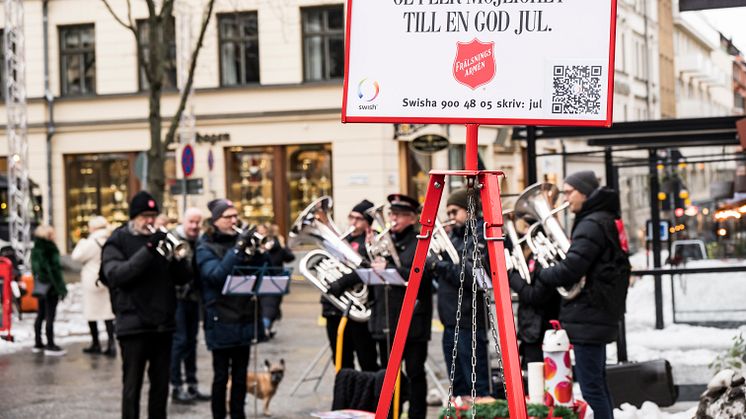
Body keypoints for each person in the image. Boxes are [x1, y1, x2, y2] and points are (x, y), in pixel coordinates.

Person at [536, 171, 630, 419]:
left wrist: (542, 274)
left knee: (591, 387)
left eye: (569, 192)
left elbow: (571, 269)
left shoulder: (591, 224)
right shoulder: (602, 218)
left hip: (590, 311)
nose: (565, 198)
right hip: (596, 311)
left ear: (585, 193)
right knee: (597, 382)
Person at [101, 191, 190, 419]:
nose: (149, 221)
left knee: (161, 387)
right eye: (144, 216)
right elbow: (117, 275)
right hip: (133, 325)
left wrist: (179, 260)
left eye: (153, 215)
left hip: (162, 324)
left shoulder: (163, 240)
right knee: (132, 387)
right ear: (133, 217)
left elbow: (183, 278)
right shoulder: (117, 240)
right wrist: (149, 249)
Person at [196, 199, 268, 419]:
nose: (234, 220)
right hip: (220, 316)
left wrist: (260, 252)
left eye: (235, 215)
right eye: (228, 217)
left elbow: (262, 271)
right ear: (216, 221)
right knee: (221, 376)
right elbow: (216, 276)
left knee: (240, 375)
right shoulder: (204, 246)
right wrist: (237, 249)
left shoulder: (242, 243)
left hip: (244, 314)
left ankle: (239, 414)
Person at [369, 194, 433, 419]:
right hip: (387, 319)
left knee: (415, 372)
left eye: (397, 215)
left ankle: (417, 415)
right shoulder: (386, 240)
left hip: (414, 319)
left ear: (411, 218)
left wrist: (390, 269)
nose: (392, 219)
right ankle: (390, 413)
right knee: (388, 374)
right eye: (390, 214)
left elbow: (423, 277)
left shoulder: (420, 242)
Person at [428, 188, 491, 397]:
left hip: (470, 321)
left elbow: (477, 277)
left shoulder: (481, 235)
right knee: (457, 386)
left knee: (477, 385)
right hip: (450, 320)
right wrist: (435, 266)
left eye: (455, 212)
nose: (451, 218)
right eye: (449, 213)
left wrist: (440, 266)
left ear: (470, 210)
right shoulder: (454, 237)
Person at [322, 199, 379, 372]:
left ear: (367, 222)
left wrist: (343, 282)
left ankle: (370, 397)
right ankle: (346, 397)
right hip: (334, 307)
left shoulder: (372, 241)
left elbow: (369, 267)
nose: (353, 222)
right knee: (340, 359)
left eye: (358, 219)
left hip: (358, 310)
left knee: (366, 359)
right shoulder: (340, 240)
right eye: (351, 217)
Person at [170, 207, 211, 404]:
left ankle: (192, 385)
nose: (195, 226)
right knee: (180, 342)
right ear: (183, 221)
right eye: (191, 222)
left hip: (194, 298)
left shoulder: (201, 240)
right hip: (176, 298)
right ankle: (176, 386)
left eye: (198, 222)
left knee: (192, 342)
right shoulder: (173, 239)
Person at [71, 216, 116, 357]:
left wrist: (82, 242)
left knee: (92, 313)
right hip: (107, 278)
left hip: (92, 279)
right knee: (108, 313)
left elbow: (76, 256)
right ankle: (111, 343)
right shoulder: (110, 240)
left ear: (93, 228)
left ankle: (96, 343)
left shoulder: (90, 242)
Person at [31, 225, 68, 356]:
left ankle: (38, 342)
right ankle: (50, 344)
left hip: (41, 287)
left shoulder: (36, 247)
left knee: (41, 314)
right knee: (50, 316)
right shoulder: (49, 248)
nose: (54, 235)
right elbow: (54, 271)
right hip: (51, 288)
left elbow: (36, 268)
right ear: (47, 235)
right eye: (52, 233)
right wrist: (60, 288)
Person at [257, 223, 294, 338]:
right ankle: (265, 329)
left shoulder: (269, 244)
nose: (259, 233)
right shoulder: (276, 244)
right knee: (270, 305)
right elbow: (289, 257)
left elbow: (290, 258)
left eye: (261, 231)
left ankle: (264, 329)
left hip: (270, 277)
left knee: (269, 306)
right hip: (275, 278)